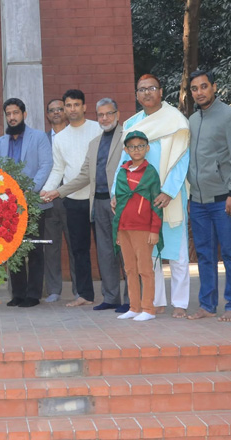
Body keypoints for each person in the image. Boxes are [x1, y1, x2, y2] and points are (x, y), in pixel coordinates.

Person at [41, 97, 129, 312]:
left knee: (121, 249)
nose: (105, 118)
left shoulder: (115, 135)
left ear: (84, 107)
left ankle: (130, 298)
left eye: (109, 114)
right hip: (83, 201)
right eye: (102, 115)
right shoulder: (76, 140)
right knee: (97, 251)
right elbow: (70, 171)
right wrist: (52, 191)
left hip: (113, 200)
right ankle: (102, 296)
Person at [113, 75, 190, 316]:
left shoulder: (176, 120)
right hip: (138, 198)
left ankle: (180, 303)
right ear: (136, 95)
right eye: (142, 90)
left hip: (170, 193)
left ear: (161, 91)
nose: (147, 93)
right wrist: (117, 193)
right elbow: (123, 161)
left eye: (152, 88)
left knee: (177, 251)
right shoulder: (132, 123)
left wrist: (168, 190)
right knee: (148, 250)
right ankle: (154, 301)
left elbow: (181, 158)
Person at [185, 71, 231, 322]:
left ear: (214, 87)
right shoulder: (192, 120)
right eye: (195, 89)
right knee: (205, 255)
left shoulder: (230, 116)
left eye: (204, 87)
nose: (200, 92)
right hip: (198, 201)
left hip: (224, 198)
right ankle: (207, 305)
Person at [41, 89, 103, 307]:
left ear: (85, 107)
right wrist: (46, 191)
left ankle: (113, 293)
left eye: (77, 105)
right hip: (73, 200)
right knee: (79, 249)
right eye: (69, 105)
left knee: (106, 247)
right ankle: (85, 295)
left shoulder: (97, 129)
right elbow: (58, 169)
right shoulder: (60, 138)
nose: (72, 109)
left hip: (99, 198)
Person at [0, 98, 53, 308]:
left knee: (34, 248)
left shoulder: (39, 138)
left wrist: (30, 190)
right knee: (13, 249)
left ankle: (33, 294)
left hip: (33, 202)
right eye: (8, 114)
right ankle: (17, 293)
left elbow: (46, 165)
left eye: (16, 113)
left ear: (24, 114)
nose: (12, 117)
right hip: (8, 206)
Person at [113, 131, 163, 322]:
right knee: (129, 269)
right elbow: (119, 201)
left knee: (145, 269)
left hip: (143, 228)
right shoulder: (122, 172)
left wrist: (154, 230)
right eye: (132, 147)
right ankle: (134, 307)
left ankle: (148, 309)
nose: (136, 150)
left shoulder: (150, 172)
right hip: (124, 228)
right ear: (126, 150)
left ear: (147, 148)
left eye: (140, 146)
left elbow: (156, 204)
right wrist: (117, 230)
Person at [42, 99, 76, 303]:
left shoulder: (75, 135)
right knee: (51, 246)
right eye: (52, 110)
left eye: (60, 109)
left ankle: (80, 290)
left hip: (73, 198)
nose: (56, 113)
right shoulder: (42, 139)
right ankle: (54, 289)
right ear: (48, 115)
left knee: (75, 246)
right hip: (49, 202)